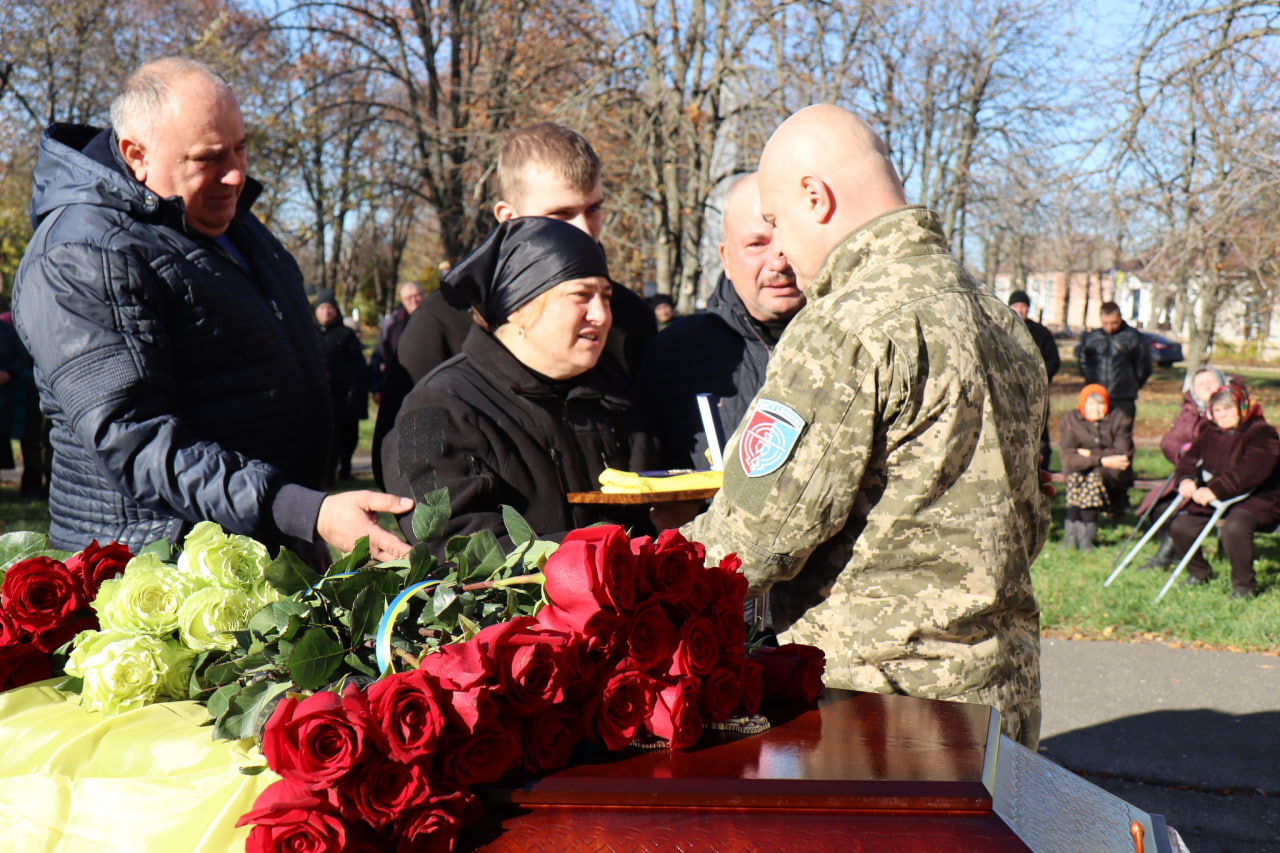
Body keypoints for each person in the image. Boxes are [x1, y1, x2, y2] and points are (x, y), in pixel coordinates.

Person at [681, 105, 1049, 749]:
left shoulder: (844, 327)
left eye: (776, 222)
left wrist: (618, 582)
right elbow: (1028, 524)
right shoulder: (1001, 322)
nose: (784, 252)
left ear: (814, 197)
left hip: (876, 716)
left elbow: (754, 539)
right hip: (1001, 702)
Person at [12, 57, 411, 561]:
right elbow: (135, 441)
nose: (236, 175)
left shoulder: (224, 223)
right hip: (166, 574)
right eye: (209, 157)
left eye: (242, 148)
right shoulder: (84, 254)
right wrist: (300, 510)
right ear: (137, 154)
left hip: (262, 547)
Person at [382, 217, 657, 548]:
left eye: (606, 297)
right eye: (582, 296)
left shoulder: (614, 398)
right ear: (519, 307)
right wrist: (610, 554)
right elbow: (461, 551)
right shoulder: (439, 408)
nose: (602, 315)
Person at [395, 122, 656, 387]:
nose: (585, 231)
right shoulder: (438, 324)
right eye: (560, 214)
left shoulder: (629, 319)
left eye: (593, 210)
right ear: (509, 219)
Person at [633, 172, 806, 471]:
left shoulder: (854, 342)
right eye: (756, 244)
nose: (779, 262)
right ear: (726, 258)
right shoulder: (672, 356)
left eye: (789, 241)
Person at [1170, 383, 1279, 599]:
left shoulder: (1261, 433)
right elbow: (1189, 459)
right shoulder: (1208, 431)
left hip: (1258, 498)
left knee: (1235, 527)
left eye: (1228, 409)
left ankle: (1243, 586)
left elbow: (1252, 470)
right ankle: (1199, 572)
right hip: (1219, 496)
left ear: (1241, 407)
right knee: (1181, 526)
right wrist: (1186, 479)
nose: (1222, 415)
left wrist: (1216, 490)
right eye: (1217, 410)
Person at [1138, 364, 1227, 570]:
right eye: (1200, 384)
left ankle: (1164, 558)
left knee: (1183, 511)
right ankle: (1178, 554)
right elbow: (1169, 442)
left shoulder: (1229, 409)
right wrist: (1183, 452)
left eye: (1210, 382)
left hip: (1216, 481)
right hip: (1189, 475)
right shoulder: (1189, 410)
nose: (1206, 387)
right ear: (1193, 390)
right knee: (1159, 506)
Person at [1058, 384, 1133, 551]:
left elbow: (1122, 454)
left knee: (1091, 477)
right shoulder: (1070, 420)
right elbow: (1068, 458)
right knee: (1076, 476)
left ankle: (1086, 537)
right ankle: (1072, 536)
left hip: (1113, 473)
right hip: (1088, 468)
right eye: (1090, 404)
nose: (1095, 409)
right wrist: (1101, 459)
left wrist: (1089, 455)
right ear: (1082, 404)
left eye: (1100, 404)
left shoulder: (1120, 418)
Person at [369, 281, 423, 489]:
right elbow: (378, 356)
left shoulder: (431, 320)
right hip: (397, 386)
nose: (414, 300)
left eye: (417, 295)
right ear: (402, 301)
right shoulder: (392, 324)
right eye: (409, 298)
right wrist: (376, 386)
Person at [314, 290, 368, 484]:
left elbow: (353, 364)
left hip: (342, 394)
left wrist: (333, 375)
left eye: (330, 308)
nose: (326, 312)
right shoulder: (309, 334)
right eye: (322, 308)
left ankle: (340, 469)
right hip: (317, 394)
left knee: (342, 435)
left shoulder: (346, 335)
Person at [1007, 289, 1059, 467]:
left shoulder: (1041, 333)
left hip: (1036, 393)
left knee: (1040, 436)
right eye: (1015, 306)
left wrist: (1039, 380)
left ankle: (1042, 471)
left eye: (1023, 306)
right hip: (1010, 393)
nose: (1019, 310)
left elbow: (1053, 360)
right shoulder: (1003, 330)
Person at [1075, 301, 1151, 420]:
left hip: (1123, 397)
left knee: (1122, 435)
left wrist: (1132, 385)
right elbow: (1083, 363)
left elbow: (1144, 367)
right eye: (1106, 323)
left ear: (1120, 318)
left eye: (1114, 323)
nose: (1110, 327)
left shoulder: (1133, 338)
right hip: (1096, 396)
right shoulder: (1091, 338)